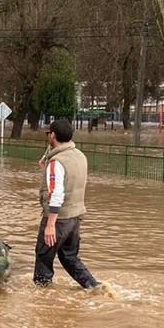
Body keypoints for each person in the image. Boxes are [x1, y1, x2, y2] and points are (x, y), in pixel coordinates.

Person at [33, 118, 99, 289]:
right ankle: (93, 287)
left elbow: (56, 195)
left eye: (49, 133)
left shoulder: (57, 163)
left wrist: (50, 225)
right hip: (75, 217)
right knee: (70, 258)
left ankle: (41, 298)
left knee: (43, 258)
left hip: (59, 220)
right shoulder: (79, 156)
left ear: (53, 135)